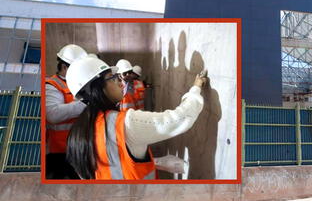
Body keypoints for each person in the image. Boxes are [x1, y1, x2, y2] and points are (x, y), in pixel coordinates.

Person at [65, 56, 207, 180]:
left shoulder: (77, 132)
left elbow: (109, 164)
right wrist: (196, 87)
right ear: (96, 87)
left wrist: (156, 162)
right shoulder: (126, 123)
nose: (120, 82)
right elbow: (181, 118)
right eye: (113, 78)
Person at [44, 44, 88, 179]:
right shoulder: (51, 85)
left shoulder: (78, 83)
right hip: (60, 151)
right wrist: (84, 104)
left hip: (79, 147)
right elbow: (52, 114)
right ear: (64, 67)